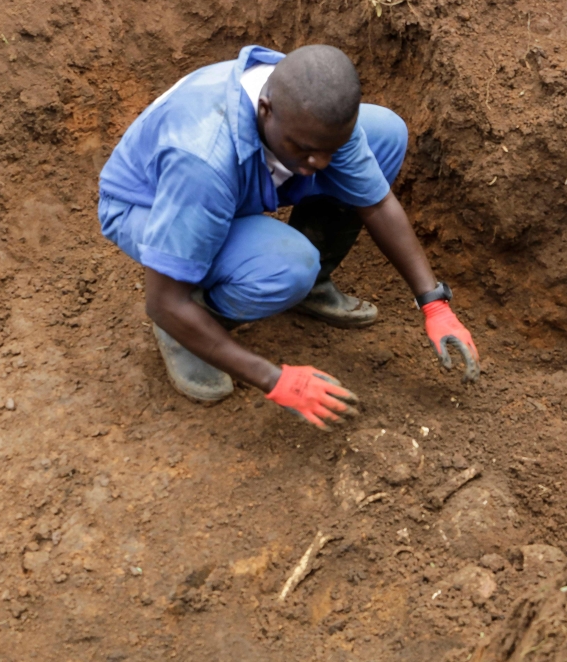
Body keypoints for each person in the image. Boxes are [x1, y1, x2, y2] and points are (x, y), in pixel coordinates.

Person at [97, 44, 480, 430]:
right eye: (307, 150)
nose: (321, 165)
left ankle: (312, 287)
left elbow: (376, 204)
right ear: (265, 109)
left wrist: (434, 304)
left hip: (238, 178)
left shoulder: (300, 106)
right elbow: (162, 301)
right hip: (152, 207)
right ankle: (192, 327)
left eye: (330, 150)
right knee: (288, 265)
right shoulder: (202, 161)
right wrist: (277, 380)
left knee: (385, 134)